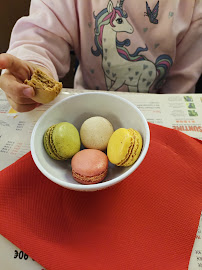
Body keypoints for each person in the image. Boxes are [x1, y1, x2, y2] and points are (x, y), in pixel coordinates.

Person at [0, 0, 201, 112]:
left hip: (153, 113)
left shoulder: (191, 6)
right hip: (85, 102)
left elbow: (181, 90)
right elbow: (42, 34)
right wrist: (32, 66)